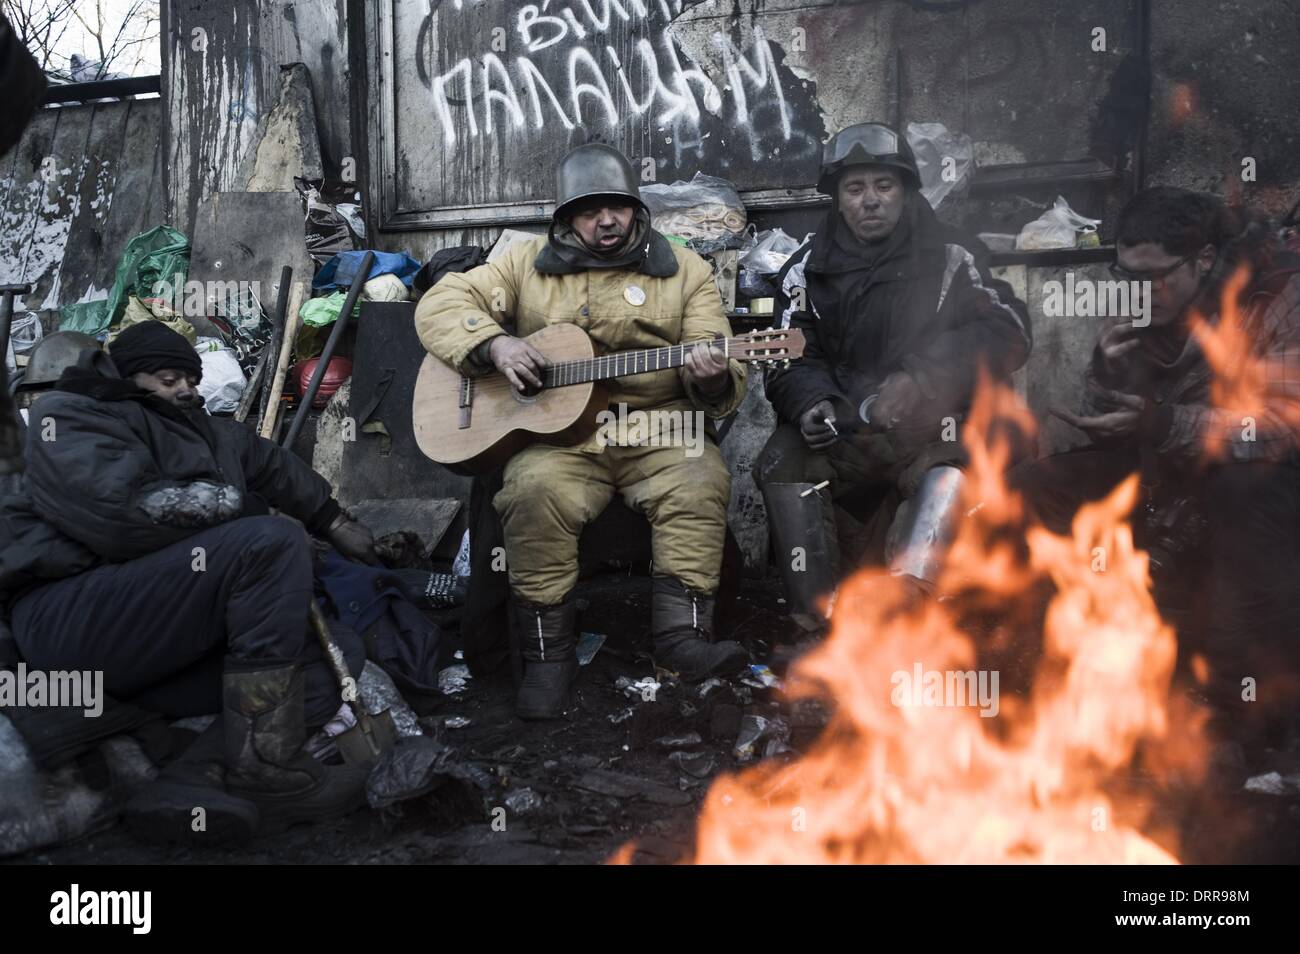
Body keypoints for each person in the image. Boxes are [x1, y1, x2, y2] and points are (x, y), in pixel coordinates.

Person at [1, 321, 380, 840]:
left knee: (330, 656)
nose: (186, 389)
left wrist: (335, 524)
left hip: (155, 631)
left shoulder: (206, 432)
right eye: (168, 378)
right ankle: (265, 773)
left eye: (190, 378)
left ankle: (200, 779)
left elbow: (273, 467)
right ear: (127, 376)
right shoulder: (71, 416)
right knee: (268, 541)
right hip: (72, 616)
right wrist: (248, 512)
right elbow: (128, 515)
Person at [415, 143, 750, 719]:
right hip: (560, 440)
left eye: (616, 207)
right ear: (567, 217)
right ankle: (549, 657)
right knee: (529, 492)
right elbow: (445, 302)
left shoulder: (686, 270)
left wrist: (715, 379)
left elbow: (719, 370)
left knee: (699, 480)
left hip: (662, 430)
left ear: (635, 208)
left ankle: (681, 642)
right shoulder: (522, 264)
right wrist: (494, 344)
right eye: (590, 210)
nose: (606, 221)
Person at [1011, 186, 1300, 761]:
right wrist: (1107, 376)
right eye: (1129, 275)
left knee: (1246, 492)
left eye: (1158, 275)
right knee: (1038, 487)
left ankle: (1239, 712)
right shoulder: (1148, 301)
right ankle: (1076, 673)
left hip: (1264, 479)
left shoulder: (1277, 297)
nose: (1142, 291)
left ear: (1203, 260)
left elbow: (1284, 425)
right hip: (1170, 468)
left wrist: (1163, 422)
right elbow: (1121, 425)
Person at [756, 122, 1031, 628]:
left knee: (947, 477)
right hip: (849, 434)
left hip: (938, 432)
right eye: (855, 188)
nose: (871, 201)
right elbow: (786, 356)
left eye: (884, 186)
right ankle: (816, 626)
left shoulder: (953, 255)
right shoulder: (806, 267)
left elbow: (1009, 331)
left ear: (905, 192)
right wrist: (811, 402)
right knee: (783, 460)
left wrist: (922, 378)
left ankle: (914, 627)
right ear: (838, 199)